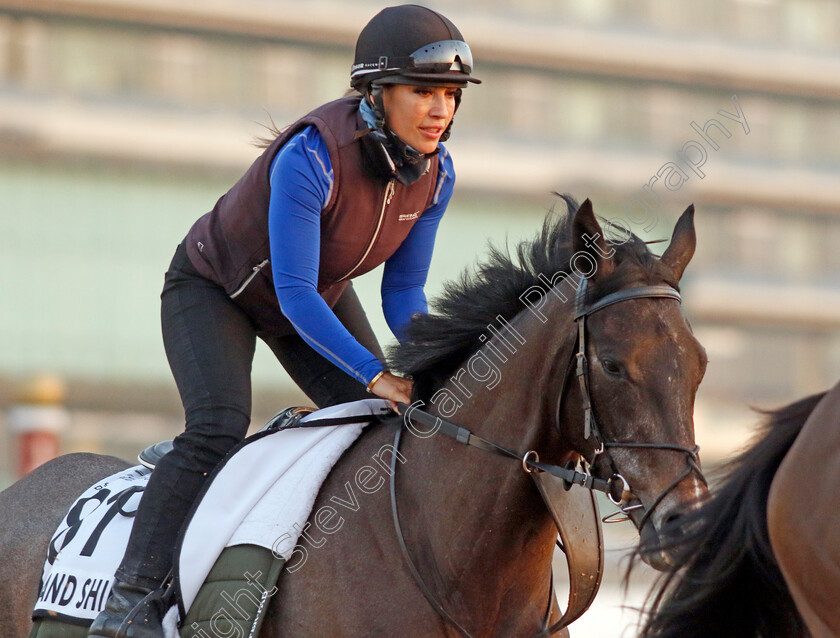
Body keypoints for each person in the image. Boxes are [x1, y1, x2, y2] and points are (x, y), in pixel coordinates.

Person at [88, 4, 480, 637]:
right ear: (377, 93)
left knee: (380, 422)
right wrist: (377, 374)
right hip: (216, 288)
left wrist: (440, 364)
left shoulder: (438, 174)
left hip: (313, 293)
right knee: (218, 425)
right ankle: (129, 600)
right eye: (424, 92)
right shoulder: (311, 156)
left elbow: (403, 293)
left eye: (451, 95)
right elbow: (295, 296)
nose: (441, 111)